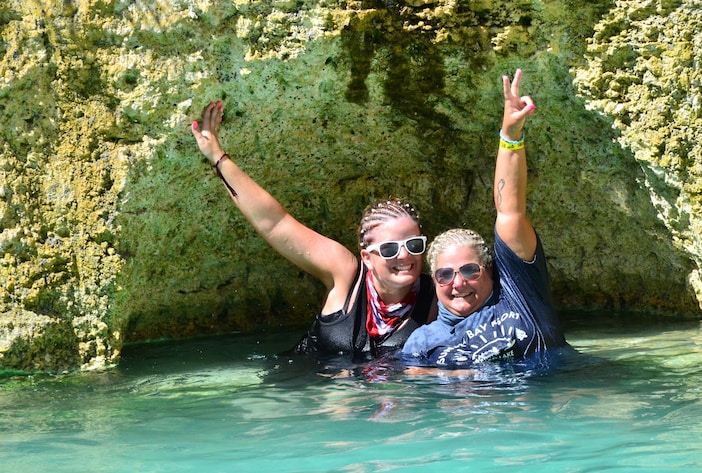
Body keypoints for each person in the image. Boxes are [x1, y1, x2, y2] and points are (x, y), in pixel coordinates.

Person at [191, 101, 436, 358]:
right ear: (367, 257)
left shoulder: (437, 295)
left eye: (414, 244)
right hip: (299, 384)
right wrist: (217, 156)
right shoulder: (345, 272)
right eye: (389, 249)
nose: (405, 255)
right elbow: (276, 223)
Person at [401, 69, 572, 367]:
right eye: (444, 274)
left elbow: (511, 211)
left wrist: (510, 136)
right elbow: (414, 388)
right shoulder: (423, 342)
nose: (458, 283)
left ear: (490, 270)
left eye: (469, 270)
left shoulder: (520, 295)